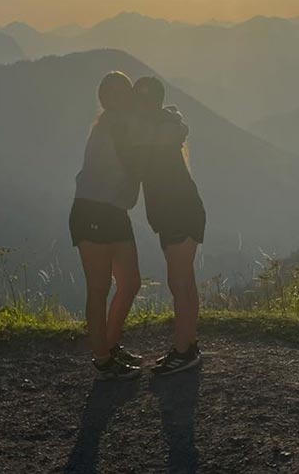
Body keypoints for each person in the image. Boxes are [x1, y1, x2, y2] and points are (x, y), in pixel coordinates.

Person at [69, 71, 145, 380]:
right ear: (109, 98)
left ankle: (110, 346)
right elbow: (136, 160)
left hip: (113, 211)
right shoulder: (115, 123)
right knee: (99, 288)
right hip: (93, 210)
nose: (125, 97)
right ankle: (102, 360)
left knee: (130, 282)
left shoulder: (115, 122)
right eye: (119, 92)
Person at [131, 76, 206, 376]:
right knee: (185, 281)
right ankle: (188, 344)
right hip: (181, 211)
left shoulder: (158, 129)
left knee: (179, 283)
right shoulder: (163, 124)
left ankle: (184, 351)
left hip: (178, 212)